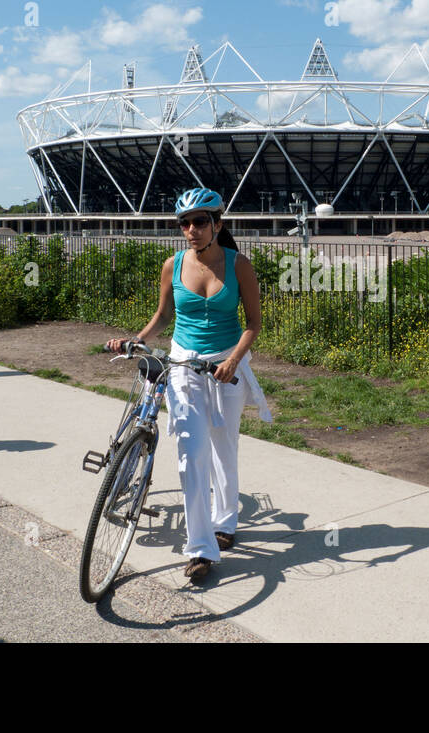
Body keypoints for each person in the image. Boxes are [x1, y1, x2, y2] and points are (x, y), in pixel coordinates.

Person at [106, 188, 270, 583]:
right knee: (190, 452)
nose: (191, 230)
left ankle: (225, 523)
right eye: (184, 223)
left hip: (225, 365)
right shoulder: (173, 265)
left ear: (217, 224)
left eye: (199, 221)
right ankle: (200, 548)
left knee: (223, 446)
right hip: (183, 365)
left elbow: (253, 323)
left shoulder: (239, 265)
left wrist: (233, 361)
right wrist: (137, 339)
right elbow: (163, 315)